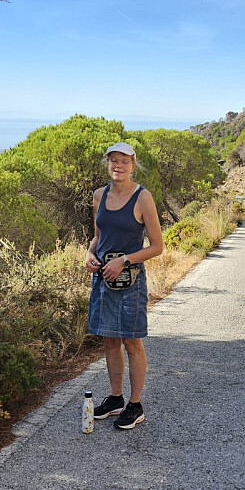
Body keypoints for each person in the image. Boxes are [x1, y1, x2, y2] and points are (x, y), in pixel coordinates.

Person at [85, 142, 163, 430]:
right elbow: (98, 236)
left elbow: (157, 246)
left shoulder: (143, 198)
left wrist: (124, 260)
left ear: (133, 164)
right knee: (110, 340)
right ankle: (116, 399)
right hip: (103, 278)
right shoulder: (99, 196)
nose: (118, 165)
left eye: (124, 161)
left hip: (130, 281)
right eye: (113, 160)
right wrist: (89, 253)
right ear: (108, 164)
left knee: (131, 342)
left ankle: (135, 404)